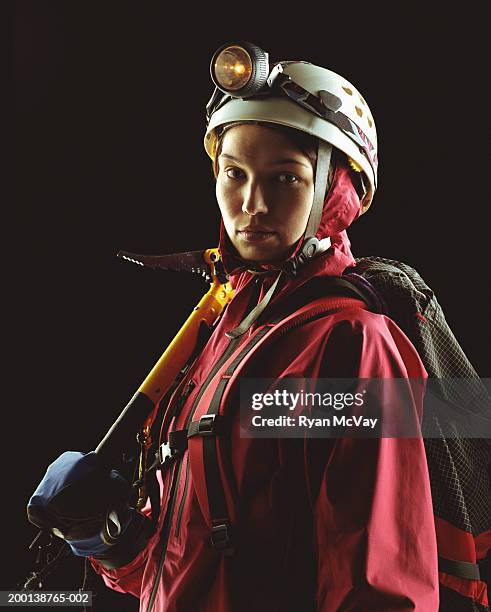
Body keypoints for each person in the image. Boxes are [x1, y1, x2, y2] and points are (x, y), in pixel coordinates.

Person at [28, 43, 441, 610]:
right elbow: (190, 564)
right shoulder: (228, 328)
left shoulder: (351, 344)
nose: (251, 202)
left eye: (286, 179)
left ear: (338, 192)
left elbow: (382, 588)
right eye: (234, 173)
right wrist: (114, 537)